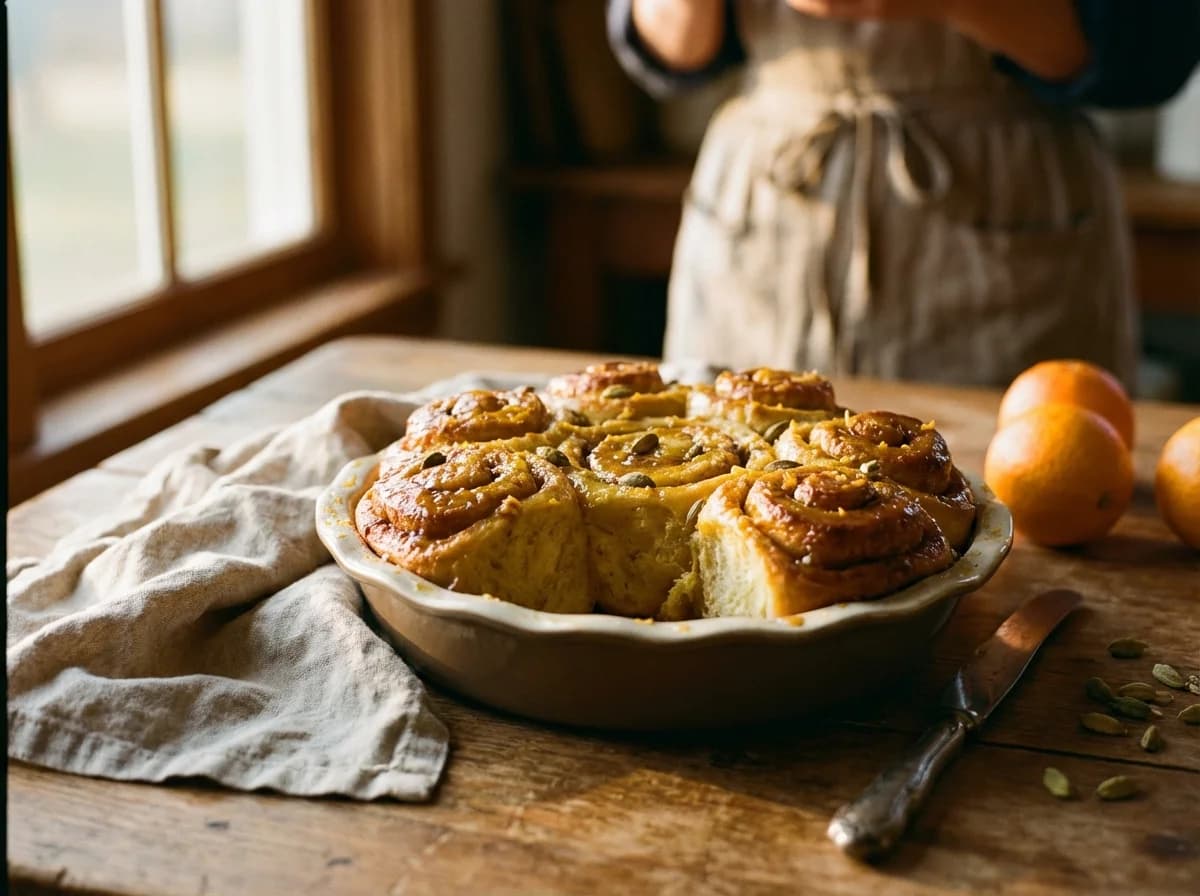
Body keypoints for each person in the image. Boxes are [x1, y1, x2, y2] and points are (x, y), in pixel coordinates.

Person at [607, 0, 1200, 387]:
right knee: (736, 489)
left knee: (1024, 512)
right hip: (773, 208)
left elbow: (1151, 50)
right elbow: (661, 46)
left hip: (1004, 197)